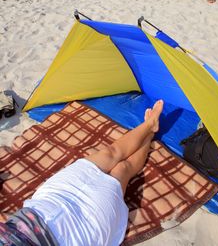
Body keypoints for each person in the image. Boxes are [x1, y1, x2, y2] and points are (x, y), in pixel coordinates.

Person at [0, 100, 164, 246]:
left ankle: (149, 125)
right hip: (77, 232)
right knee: (122, 169)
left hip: (44, 205)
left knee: (109, 153)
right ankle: (149, 134)